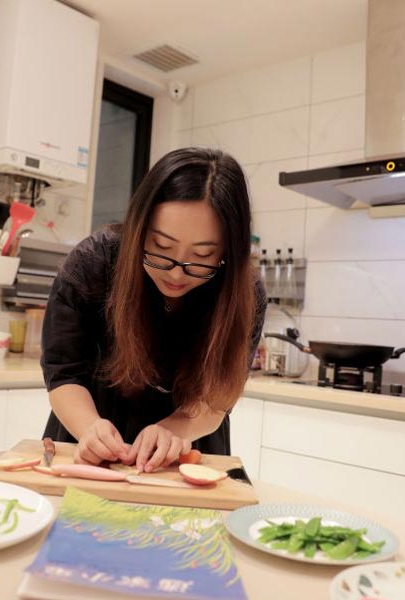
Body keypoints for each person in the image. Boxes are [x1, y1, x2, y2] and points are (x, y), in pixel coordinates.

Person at [40, 147, 267, 473]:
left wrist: (174, 431)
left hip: (186, 456)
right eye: (161, 247)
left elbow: (219, 395)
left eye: (203, 256)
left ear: (229, 251)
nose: (176, 274)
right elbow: (64, 373)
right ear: (138, 228)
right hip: (88, 446)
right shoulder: (95, 262)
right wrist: (90, 428)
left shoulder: (243, 292)